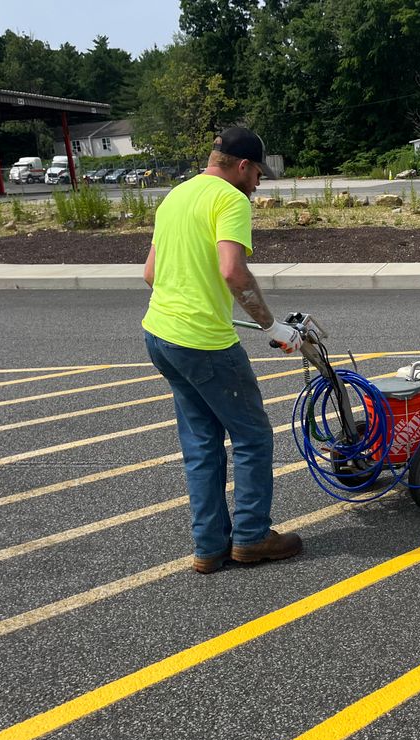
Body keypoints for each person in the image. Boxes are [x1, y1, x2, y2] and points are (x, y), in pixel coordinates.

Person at [142, 126, 304, 574]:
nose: (258, 184)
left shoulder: (175, 196)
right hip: (204, 343)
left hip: (160, 335)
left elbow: (151, 274)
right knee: (252, 436)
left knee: (201, 442)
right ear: (242, 166)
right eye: (258, 175)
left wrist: (190, 298)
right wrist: (272, 326)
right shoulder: (230, 199)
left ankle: (210, 547)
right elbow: (233, 272)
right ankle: (251, 538)